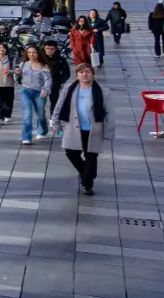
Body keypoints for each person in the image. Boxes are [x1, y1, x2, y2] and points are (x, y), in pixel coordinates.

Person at [53, 61, 110, 196]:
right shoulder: (69, 88)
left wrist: (108, 131)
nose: (85, 75)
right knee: (71, 153)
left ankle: (87, 184)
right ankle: (87, 174)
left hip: (93, 130)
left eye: (88, 72)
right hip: (74, 128)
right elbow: (59, 105)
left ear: (93, 74)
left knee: (91, 156)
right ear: (77, 75)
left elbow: (110, 113)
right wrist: (55, 123)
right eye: (81, 72)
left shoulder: (103, 92)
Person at [18, 45, 53, 144]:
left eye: (34, 52)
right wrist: (16, 73)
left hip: (39, 92)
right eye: (29, 53)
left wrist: (45, 90)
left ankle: (42, 131)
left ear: (38, 53)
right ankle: (26, 137)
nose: (31, 55)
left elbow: (48, 80)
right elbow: (18, 76)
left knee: (40, 114)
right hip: (26, 91)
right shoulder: (23, 64)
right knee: (27, 114)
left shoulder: (43, 66)